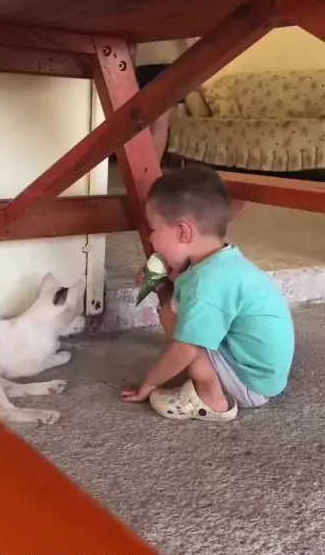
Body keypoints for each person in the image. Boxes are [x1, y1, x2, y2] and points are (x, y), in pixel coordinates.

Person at [121, 165, 295, 422]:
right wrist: (163, 281)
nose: (150, 239)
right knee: (179, 311)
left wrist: (149, 384)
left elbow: (186, 348)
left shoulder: (208, 283)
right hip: (261, 374)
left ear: (183, 232)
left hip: (250, 385)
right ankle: (212, 378)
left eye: (154, 230)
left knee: (173, 318)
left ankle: (211, 394)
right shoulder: (223, 262)